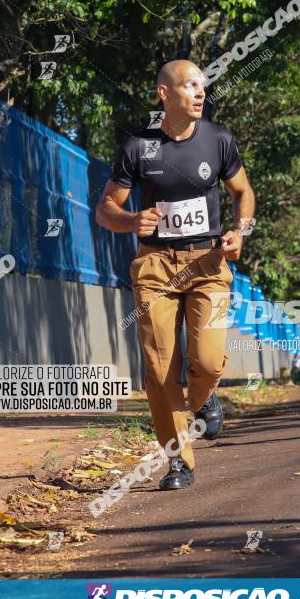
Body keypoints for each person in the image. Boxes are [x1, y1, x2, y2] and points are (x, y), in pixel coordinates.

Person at [96, 60, 255, 490]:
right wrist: (131, 221)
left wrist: (242, 233)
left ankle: (205, 397)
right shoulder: (137, 147)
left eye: (202, 86)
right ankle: (178, 461)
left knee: (205, 359)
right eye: (190, 86)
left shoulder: (218, 140)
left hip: (209, 265)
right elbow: (105, 210)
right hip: (155, 267)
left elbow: (244, 193)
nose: (200, 93)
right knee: (160, 367)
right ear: (165, 94)